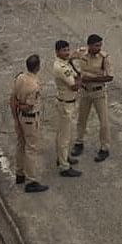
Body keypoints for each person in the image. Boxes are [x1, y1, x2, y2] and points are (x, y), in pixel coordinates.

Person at [71, 35, 114, 162]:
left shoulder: (104, 57)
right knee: (81, 118)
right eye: (96, 45)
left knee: (104, 122)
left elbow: (110, 77)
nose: (99, 48)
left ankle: (104, 148)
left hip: (98, 92)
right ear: (89, 45)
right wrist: (77, 73)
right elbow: (68, 59)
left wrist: (92, 79)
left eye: (100, 45)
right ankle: (79, 142)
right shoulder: (81, 52)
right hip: (84, 91)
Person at [10, 55, 48, 193]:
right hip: (30, 119)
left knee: (21, 144)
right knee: (31, 149)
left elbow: (12, 98)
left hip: (20, 118)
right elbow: (28, 107)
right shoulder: (34, 86)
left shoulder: (20, 78)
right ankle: (31, 180)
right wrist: (21, 105)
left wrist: (15, 118)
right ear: (38, 67)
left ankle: (19, 173)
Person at [52, 41, 82, 177]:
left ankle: (62, 157)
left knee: (64, 134)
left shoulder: (63, 63)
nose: (67, 52)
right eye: (64, 50)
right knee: (64, 136)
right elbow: (74, 86)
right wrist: (81, 77)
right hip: (66, 104)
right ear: (57, 52)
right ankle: (64, 166)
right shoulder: (61, 67)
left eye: (67, 50)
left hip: (66, 102)